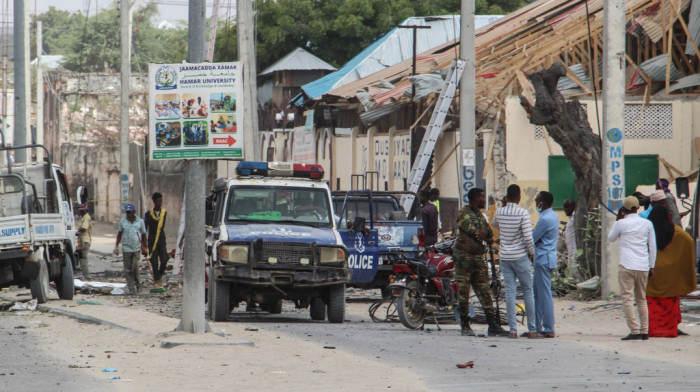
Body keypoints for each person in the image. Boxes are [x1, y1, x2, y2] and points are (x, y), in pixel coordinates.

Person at [454, 188, 509, 337]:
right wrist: (483, 232)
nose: (484, 200)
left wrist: (485, 232)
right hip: (464, 258)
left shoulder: (480, 215)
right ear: (475, 198)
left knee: (484, 291)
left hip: (478, 257)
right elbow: (473, 231)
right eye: (482, 197)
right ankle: (465, 324)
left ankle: (493, 325)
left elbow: (489, 233)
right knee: (464, 292)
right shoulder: (463, 213)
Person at [491, 184, 537, 338]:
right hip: (521, 256)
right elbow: (528, 237)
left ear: (506, 197)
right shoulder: (523, 213)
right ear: (519, 197)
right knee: (528, 292)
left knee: (510, 292)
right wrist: (532, 253)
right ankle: (532, 329)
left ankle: (512, 330)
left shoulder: (500, 212)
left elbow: (494, 224)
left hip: (505, 257)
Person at [607, 195, 656, 341]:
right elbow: (652, 246)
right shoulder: (647, 223)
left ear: (624, 208)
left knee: (627, 299)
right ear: (638, 208)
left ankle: (634, 331)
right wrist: (652, 266)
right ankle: (645, 331)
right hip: (642, 265)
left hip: (626, 265)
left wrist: (618, 218)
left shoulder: (620, 224)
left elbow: (611, 238)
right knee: (641, 298)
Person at [646, 205, 696, 337]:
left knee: (652, 301)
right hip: (670, 274)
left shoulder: (648, 229)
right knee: (670, 301)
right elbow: (689, 241)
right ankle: (670, 329)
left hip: (652, 271)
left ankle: (653, 329)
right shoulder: (675, 231)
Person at [532, 191, 558, 338]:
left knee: (544, 295)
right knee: (537, 293)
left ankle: (548, 328)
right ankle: (536, 326)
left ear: (542, 202)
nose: (536, 203)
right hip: (544, 258)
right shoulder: (552, 216)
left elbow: (533, 238)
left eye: (537, 200)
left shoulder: (545, 219)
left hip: (543, 258)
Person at [114, 203, 148, 295]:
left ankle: (138, 285)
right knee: (128, 270)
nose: (128, 214)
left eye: (130, 212)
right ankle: (131, 289)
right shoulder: (123, 222)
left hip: (136, 248)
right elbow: (119, 234)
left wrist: (145, 247)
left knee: (135, 267)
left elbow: (144, 235)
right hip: (126, 248)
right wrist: (116, 246)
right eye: (127, 212)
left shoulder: (140, 222)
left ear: (134, 212)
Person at [144, 192, 169, 289]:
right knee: (154, 261)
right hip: (152, 240)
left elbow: (162, 227)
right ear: (154, 201)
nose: (160, 203)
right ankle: (157, 281)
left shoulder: (164, 213)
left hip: (161, 240)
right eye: (158, 201)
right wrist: (144, 243)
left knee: (164, 259)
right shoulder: (149, 214)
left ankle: (159, 275)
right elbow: (145, 228)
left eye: (161, 201)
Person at [563, 199, 579, 279]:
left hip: (575, 253)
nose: (566, 210)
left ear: (574, 207)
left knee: (575, 276)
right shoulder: (571, 218)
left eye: (568, 207)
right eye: (565, 207)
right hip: (570, 252)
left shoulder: (575, 218)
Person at [76, 204, 92, 280]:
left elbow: (84, 228)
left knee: (83, 259)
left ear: (85, 210)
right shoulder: (84, 217)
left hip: (84, 241)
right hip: (82, 241)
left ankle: (87, 276)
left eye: (81, 210)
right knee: (82, 259)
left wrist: (76, 233)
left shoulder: (86, 217)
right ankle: (85, 275)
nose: (80, 212)